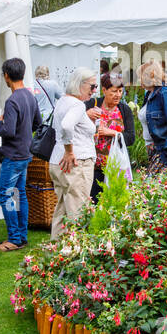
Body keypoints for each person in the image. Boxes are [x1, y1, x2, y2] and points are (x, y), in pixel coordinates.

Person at [0, 57, 41, 252]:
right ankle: (21, 236)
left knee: (5, 195)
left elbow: (8, 131)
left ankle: (14, 237)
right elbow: (38, 123)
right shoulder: (30, 96)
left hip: (13, 156)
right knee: (18, 194)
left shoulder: (12, 100)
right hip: (25, 154)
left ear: (6, 75)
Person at [49, 68, 100, 239]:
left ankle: (55, 252)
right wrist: (69, 151)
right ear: (80, 84)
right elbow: (66, 126)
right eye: (92, 86)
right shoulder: (77, 105)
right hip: (76, 164)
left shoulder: (63, 101)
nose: (95, 91)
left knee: (62, 209)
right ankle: (76, 255)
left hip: (57, 162)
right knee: (78, 213)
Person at [86, 72, 136, 200]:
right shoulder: (92, 104)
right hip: (94, 166)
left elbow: (131, 138)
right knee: (94, 202)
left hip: (116, 166)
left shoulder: (124, 110)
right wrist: (86, 114)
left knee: (115, 203)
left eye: (120, 91)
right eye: (114, 91)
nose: (118, 95)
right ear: (104, 90)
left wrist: (112, 133)